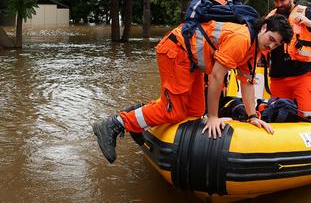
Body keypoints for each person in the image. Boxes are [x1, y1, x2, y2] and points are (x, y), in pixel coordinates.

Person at [92, 15, 293, 163]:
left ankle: (138, 116)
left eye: (276, 45)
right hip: (176, 51)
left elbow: (247, 83)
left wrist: (252, 116)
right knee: (175, 111)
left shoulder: (255, 49)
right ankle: (114, 124)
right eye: (271, 39)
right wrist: (213, 116)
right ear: (264, 27)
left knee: (196, 111)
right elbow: (216, 77)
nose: (271, 46)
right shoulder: (242, 40)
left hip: (193, 62)